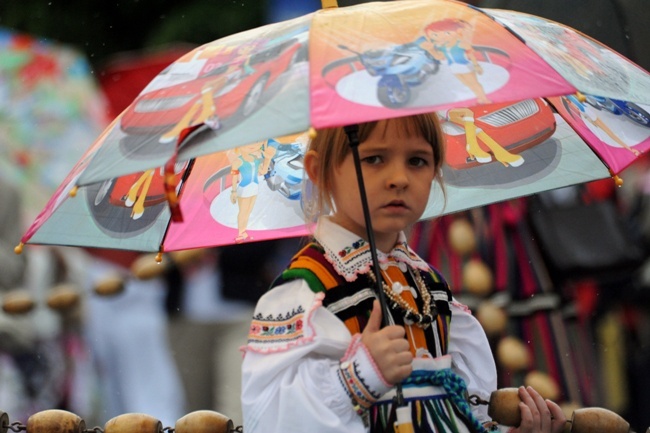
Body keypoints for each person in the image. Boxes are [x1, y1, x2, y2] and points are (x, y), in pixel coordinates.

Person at [240, 114, 567, 433]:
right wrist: (358, 375)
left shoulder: (432, 286)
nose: (399, 177)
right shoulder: (307, 292)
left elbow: (462, 414)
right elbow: (271, 418)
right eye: (374, 158)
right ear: (319, 171)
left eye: (417, 161)